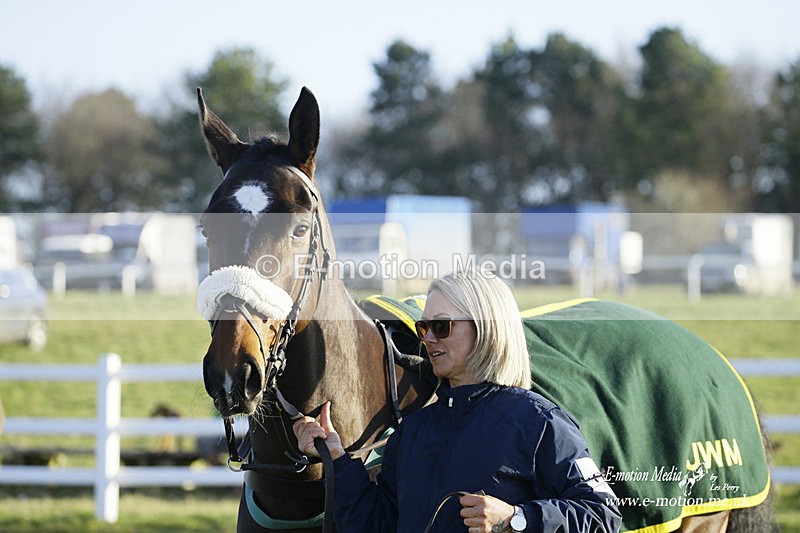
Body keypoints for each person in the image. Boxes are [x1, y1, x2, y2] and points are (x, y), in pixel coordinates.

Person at [294, 270, 622, 532]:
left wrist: (516, 519)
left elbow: (603, 515)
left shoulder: (539, 421)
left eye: (442, 326)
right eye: (424, 327)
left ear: (486, 328)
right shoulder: (412, 430)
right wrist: (336, 457)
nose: (429, 338)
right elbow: (377, 524)